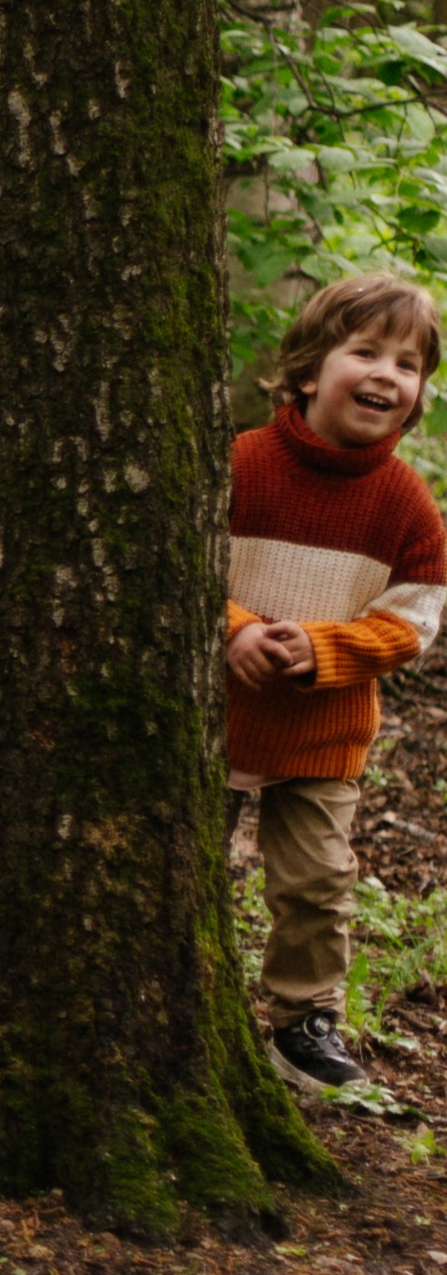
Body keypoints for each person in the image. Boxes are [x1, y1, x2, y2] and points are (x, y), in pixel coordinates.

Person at [226, 273, 445, 1093]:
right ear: (310, 370)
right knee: (177, 858)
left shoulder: (405, 502)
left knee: (317, 882)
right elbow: (180, 567)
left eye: (409, 363)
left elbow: (415, 616)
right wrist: (236, 628)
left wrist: (325, 650)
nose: (389, 374)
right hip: (214, 716)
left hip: (325, 731)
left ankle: (302, 1021)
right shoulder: (243, 463)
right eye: (367, 352)